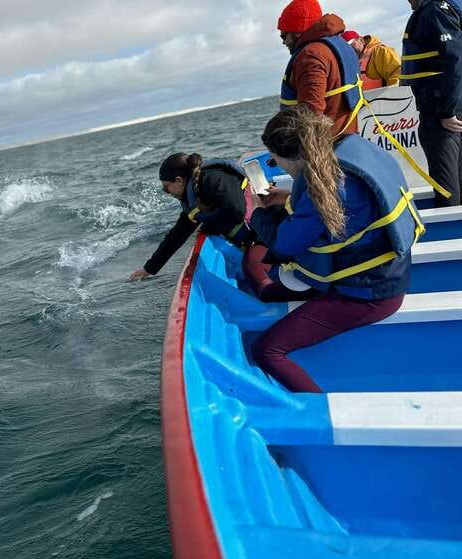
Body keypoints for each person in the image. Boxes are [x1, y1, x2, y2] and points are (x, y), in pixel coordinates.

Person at [245, 106, 420, 393]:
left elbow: (283, 245)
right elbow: (354, 201)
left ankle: (318, 414)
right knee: (270, 292)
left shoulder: (321, 186)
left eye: (274, 158)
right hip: (386, 274)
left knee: (266, 350)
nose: (274, 162)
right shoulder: (352, 149)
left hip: (369, 295)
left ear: (292, 155)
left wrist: (257, 214)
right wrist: (289, 196)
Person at [128, 153, 254, 280]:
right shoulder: (193, 196)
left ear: (179, 181)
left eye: (166, 187)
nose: (167, 192)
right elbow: (177, 235)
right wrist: (149, 268)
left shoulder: (215, 178)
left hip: (261, 233)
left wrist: (210, 227)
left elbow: (237, 211)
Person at [401, 0, 462, 207]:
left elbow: (454, 58)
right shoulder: (441, 9)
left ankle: (451, 234)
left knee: (447, 190)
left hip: (441, 115)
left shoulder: (434, 12)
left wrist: (447, 111)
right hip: (447, 108)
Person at [277, 0, 361, 136]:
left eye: (284, 35)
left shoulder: (310, 56)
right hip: (349, 138)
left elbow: (311, 117)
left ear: (297, 32)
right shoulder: (342, 44)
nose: (283, 42)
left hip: (326, 149)